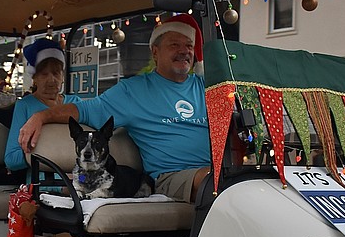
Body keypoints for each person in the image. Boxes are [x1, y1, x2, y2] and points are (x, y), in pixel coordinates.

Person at [18, 15, 210, 202]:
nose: (184, 51)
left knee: (230, 180)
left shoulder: (208, 87)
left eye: (189, 45)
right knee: (216, 182)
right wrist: (41, 116)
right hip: (173, 178)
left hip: (215, 170)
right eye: (174, 45)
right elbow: (84, 110)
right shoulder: (132, 91)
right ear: (155, 52)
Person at [4, 38, 82, 179]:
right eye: (44, 74)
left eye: (56, 73)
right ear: (34, 77)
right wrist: (45, 151)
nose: (51, 80)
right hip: (42, 182)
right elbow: (11, 159)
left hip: (78, 176)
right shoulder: (25, 106)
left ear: (63, 76)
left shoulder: (75, 103)